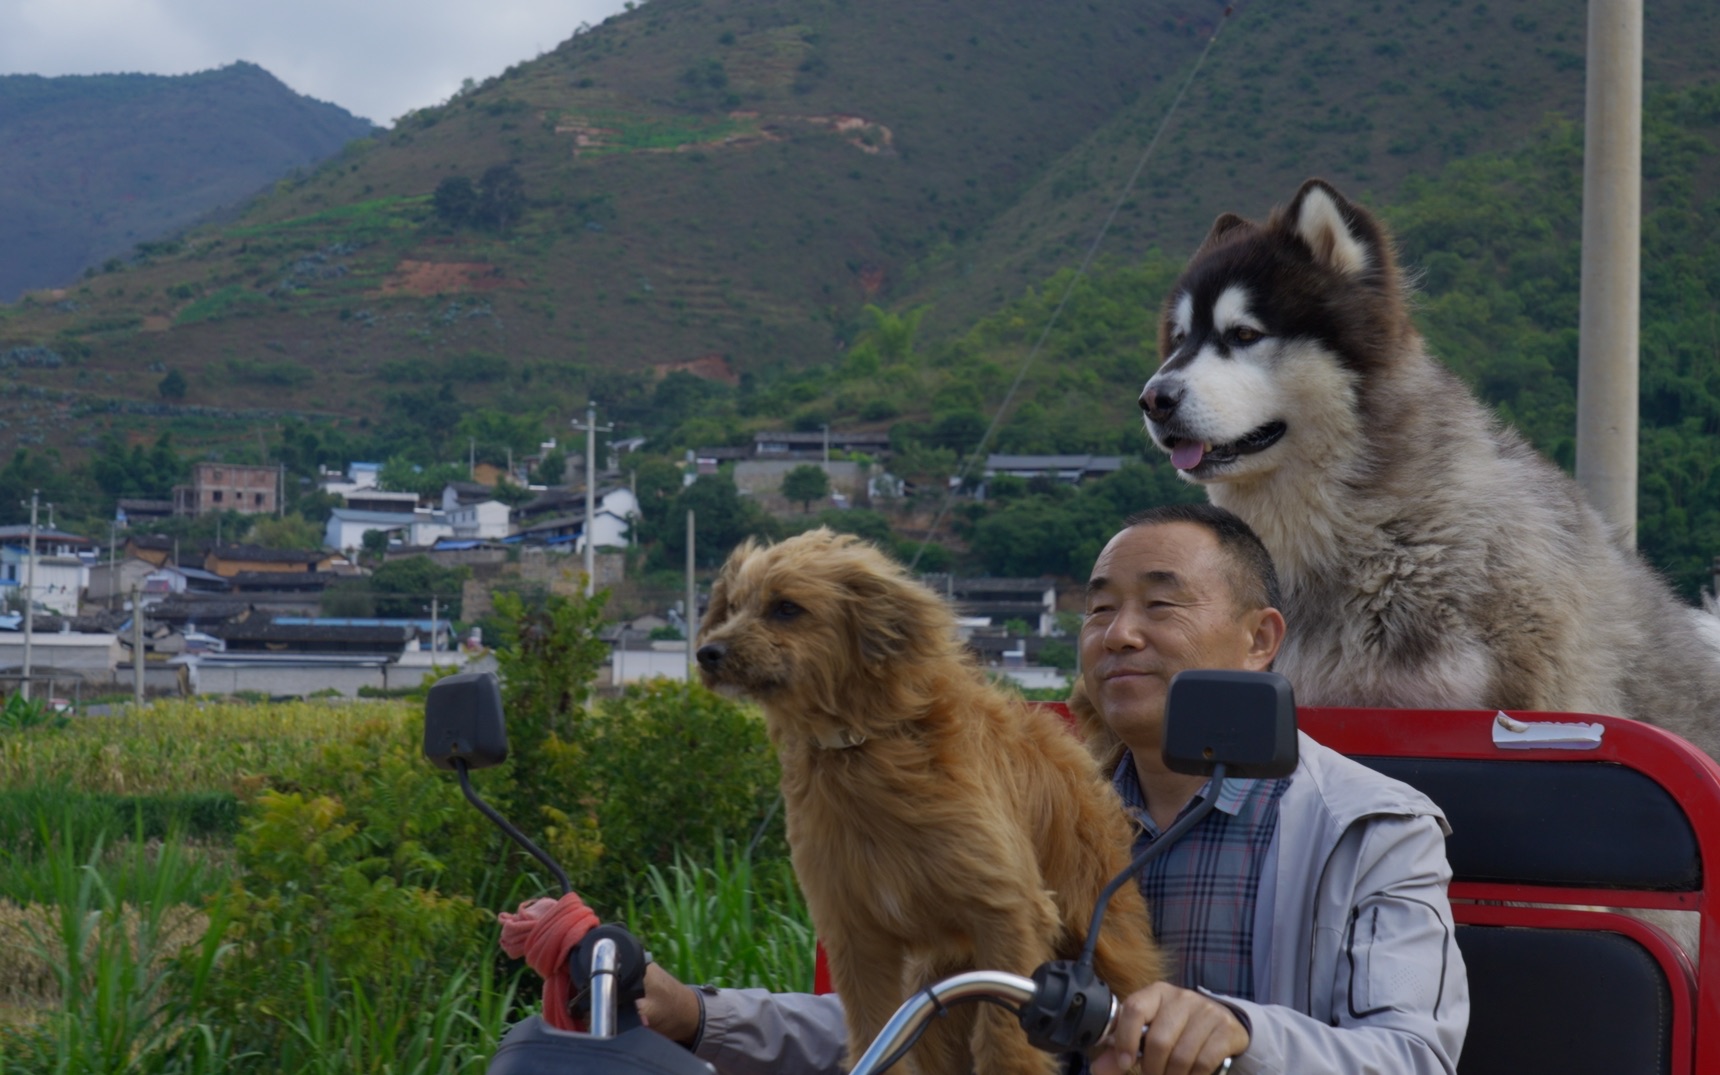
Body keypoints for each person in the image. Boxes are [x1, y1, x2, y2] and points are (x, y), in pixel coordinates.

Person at [632, 503, 1469, 1075]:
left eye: (1160, 605)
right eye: (1099, 610)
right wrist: (699, 1015)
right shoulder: (1033, 794)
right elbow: (928, 1009)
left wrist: (1245, 1033)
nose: (1120, 634)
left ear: (1260, 638)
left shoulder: (1370, 825)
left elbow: (1413, 1057)